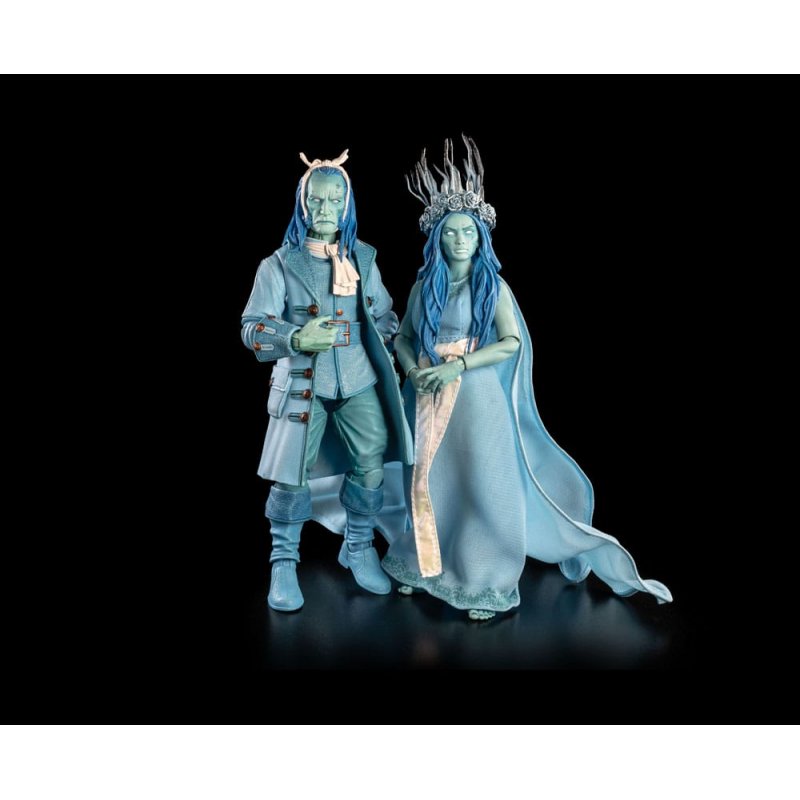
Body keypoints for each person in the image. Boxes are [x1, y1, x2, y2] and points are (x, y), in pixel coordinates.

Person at [382, 137, 672, 620]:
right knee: (431, 481)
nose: (460, 240)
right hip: (429, 398)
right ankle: (423, 564)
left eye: (468, 232)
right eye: (451, 233)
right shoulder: (422, 287)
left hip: (476, 397)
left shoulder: (492, 287)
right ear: (437, 239)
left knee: (484, 486)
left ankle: (485, 578)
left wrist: (458, 365)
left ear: (481, 237)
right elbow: (404, 338)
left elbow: (511, 342)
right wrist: (414, 369)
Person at [241, 150, 413, 612]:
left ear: (347, 205)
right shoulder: (279, 264)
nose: (325, 209)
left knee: (372, 457)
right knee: (291, 470)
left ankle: (358, 546)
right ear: (303, 203)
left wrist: (383, 334)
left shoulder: (363, 258)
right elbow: (252, 327)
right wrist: (296, 337)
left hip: (356, 377)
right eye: (317, 200)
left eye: (335, 200)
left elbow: (384, 312)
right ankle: (283, 561)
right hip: (305, 382)